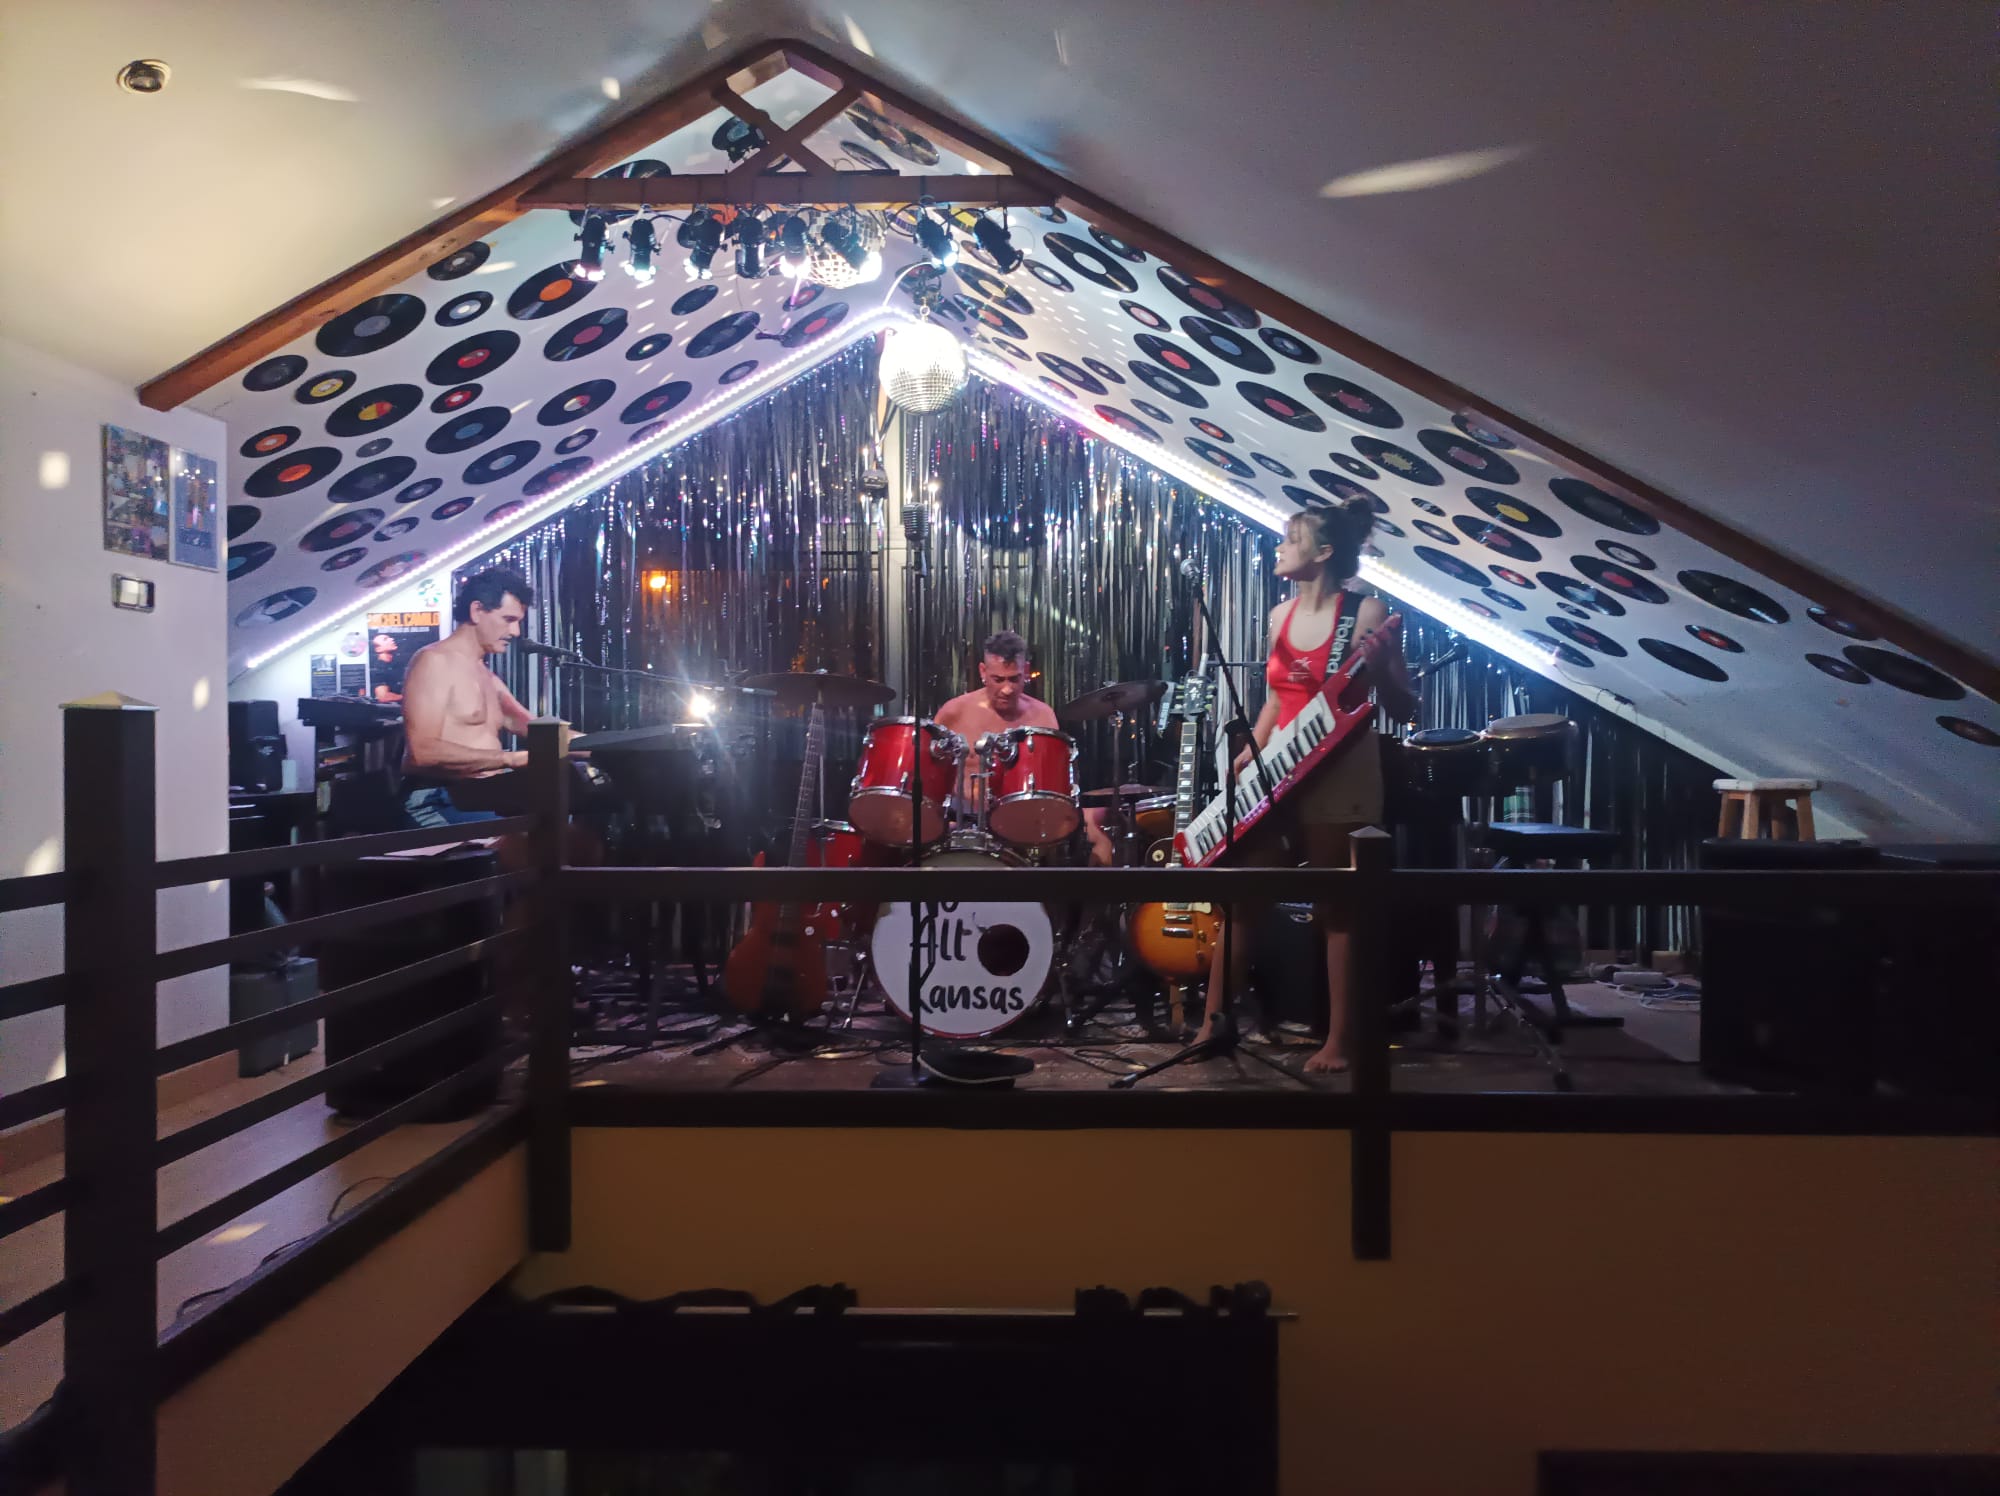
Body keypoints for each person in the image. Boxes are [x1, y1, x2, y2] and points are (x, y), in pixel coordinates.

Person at [1193, 501, 1417, 1072]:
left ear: (1324, 552)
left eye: (1291, 539)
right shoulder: (1279, 615)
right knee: (1243, 898)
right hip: (1278, 772)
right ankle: (1211, 1026)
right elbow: (1276, 698)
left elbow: (1404, 707)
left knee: (1337, 910)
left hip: (1341, 773)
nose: (1279, 547)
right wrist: (1253, 745)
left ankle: (1341, 1041)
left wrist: (1384, 669)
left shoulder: (1366, 613)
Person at [935, 630, 1115, 866]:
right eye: (998, 679)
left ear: (1026, 671)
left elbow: (1055, 785)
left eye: (1014, 679)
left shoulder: (1043, 715)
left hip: (1026, 824)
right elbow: (931, 773)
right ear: (982, 671)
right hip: (965, 822)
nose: (1007, 689)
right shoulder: (954, 712)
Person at [399, 567, 542, 827]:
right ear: (477, 611)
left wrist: (602, 746)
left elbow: (539, 730)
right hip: (438, 797)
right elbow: (421, 752)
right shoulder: (434, 662)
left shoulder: (488, 678)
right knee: (524, 840)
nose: (516, 632)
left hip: (482, 796)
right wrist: (510, 759)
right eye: (509, 619)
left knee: (568, 827)